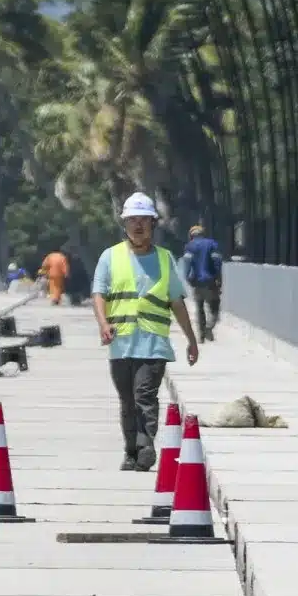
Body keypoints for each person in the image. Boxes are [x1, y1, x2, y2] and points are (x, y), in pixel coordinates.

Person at [91, 192, 199, 471]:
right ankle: (131, 452)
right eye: (132, 221)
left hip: (153, 344)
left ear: (153, 224)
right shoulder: (110, 257)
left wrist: (191, 339)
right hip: (121, 344)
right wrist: (103, 324)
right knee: (127, 401)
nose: (138, 226)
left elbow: (176, 301)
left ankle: (145, 444)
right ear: (124, 225)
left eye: (144, 221)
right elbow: (99, 294)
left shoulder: (165, 259)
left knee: (145, 396)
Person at [180, 224, 224, 342]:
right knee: (214, 308)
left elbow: (187, 265)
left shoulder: (190, 246)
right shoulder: (212, 244)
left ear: (191, 235)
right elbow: (217, 263)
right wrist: (219, 279)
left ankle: (201, 335)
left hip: (196, 282)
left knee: (199, 308)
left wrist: (189, 280)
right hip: (211, 282)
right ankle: (209, 327)